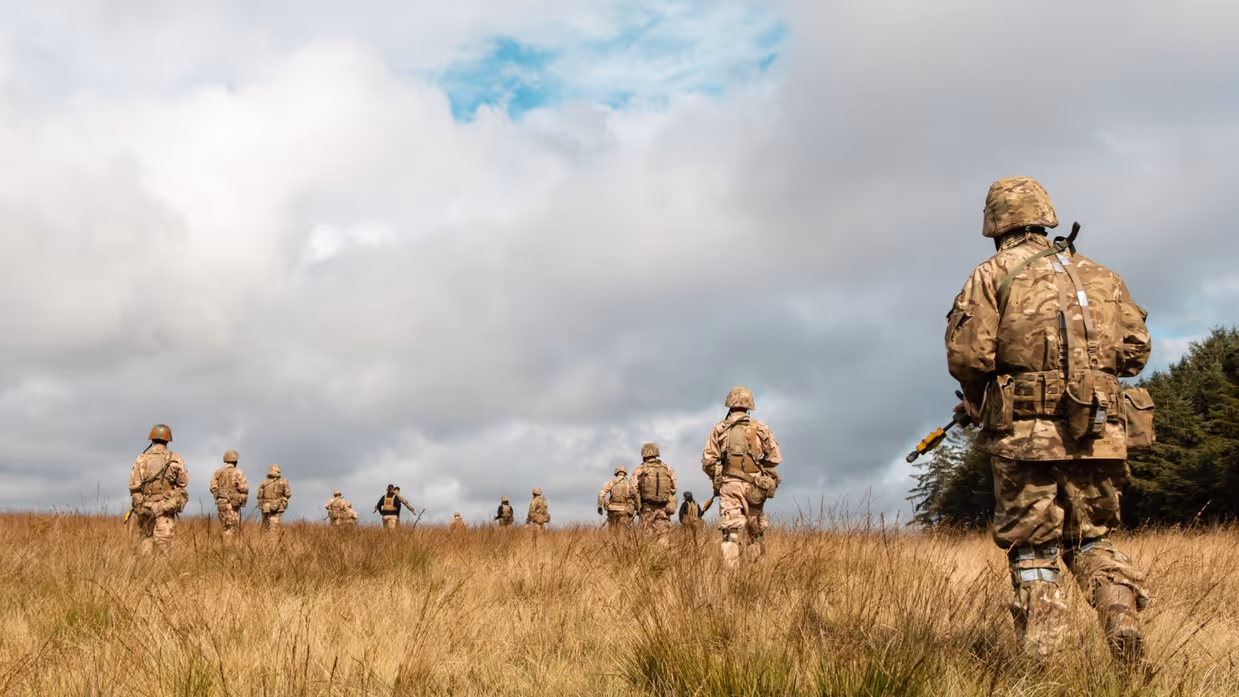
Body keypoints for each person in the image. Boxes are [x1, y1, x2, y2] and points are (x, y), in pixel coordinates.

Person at [945, 175, 1152, 664]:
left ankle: (1046, 664)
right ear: (1045, 215)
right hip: (1099, 431)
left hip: (1026, 438)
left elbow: (969, 358)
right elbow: (1135, 352)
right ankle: (1122, 620)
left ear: (995, 223)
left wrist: (976, 400)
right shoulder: (1102, 276)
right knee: (1093, 539)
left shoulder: (991, 274)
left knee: (1034, 549)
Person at [700, 386, 782, 567]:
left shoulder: (720, 429)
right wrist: (760, 471)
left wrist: (717, 476)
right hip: (755, 487)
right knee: (755, 531)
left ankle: (732, 573)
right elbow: (775, 457)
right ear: (749, 406)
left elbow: (707, 462)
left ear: (730, 404)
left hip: (730, 485)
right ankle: (756, 572)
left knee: (731, 530)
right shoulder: (761, 428)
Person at [128, 424, 190, 554]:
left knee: (146, 541)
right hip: (165, 507)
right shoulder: (175, 459)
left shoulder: (141, 459)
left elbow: (134, 485)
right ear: (168, 439)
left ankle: (146, 571)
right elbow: (183, 482)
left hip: (145, 506)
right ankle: (163, 573)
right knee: (164, 546)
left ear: (152, 438)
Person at [632, 443, 677, 540]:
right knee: (663, 537)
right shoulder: (666, 468)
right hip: (663, 508)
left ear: (644, 454)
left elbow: (632, 489)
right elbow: (674, 488)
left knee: (646, 537)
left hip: (647, 508)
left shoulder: (641, 468)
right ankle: (664, 555)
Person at [209, 449, 249, 539]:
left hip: (221, 503)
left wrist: (221, 493)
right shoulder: (238, 472)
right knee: (232, 528)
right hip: (232, 504)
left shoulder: (218, 472)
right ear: (235, 461)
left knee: (225, 526)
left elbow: (212, 487)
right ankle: (228, 549)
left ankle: (225, 547)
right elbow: (244, 488)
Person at [255, 464, 292, 534]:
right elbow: (288, 494)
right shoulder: (283, 482)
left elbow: (259, 496)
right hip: (276, 507)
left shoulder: (263, 482)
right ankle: (272, 544)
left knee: (265, 528)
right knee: (274, 529)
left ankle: (264, 542)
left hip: (265, 507)